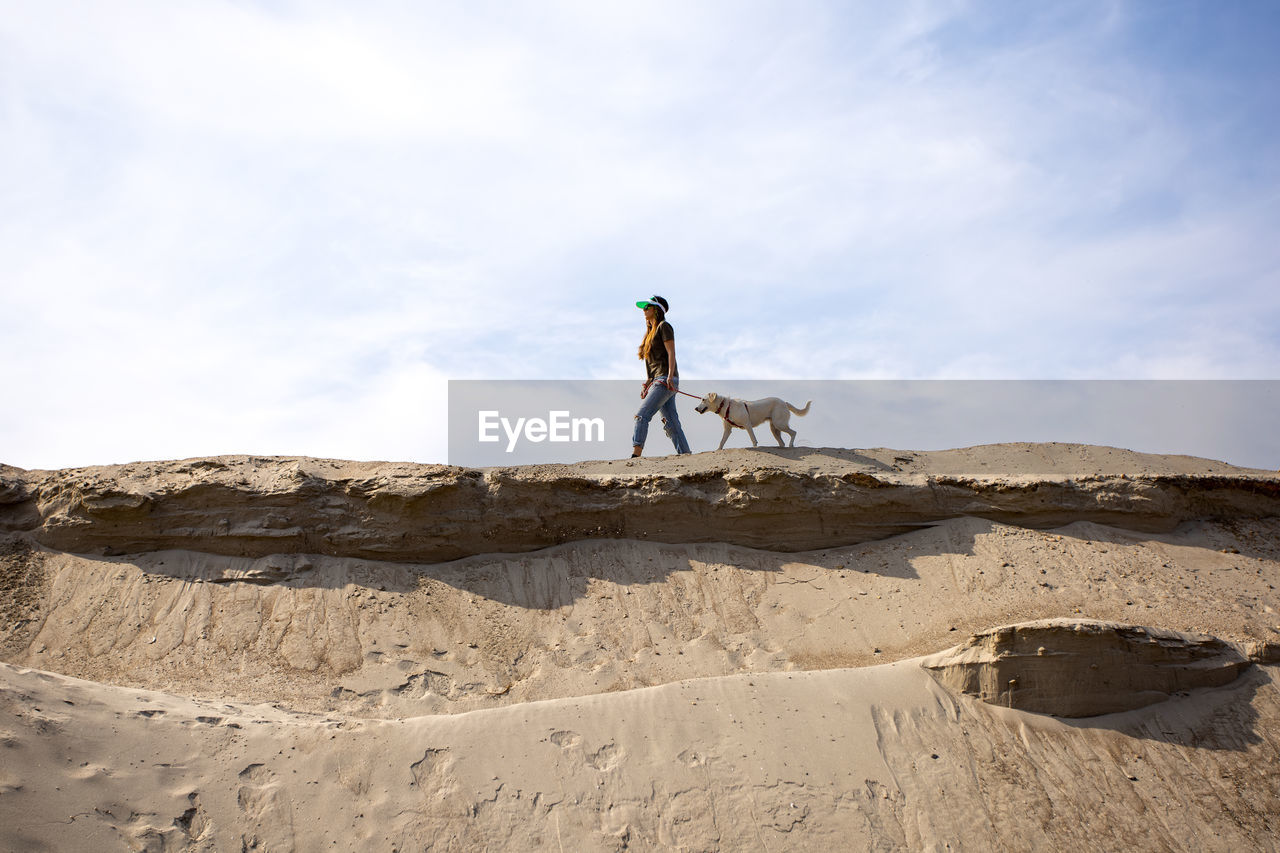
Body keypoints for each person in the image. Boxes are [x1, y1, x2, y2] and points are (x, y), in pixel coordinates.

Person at [632, 295, 692, 457]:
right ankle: (686, 455)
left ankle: (636, 454)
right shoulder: (649, 335)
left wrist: (671, 376)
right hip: (659, 380)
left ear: (656, 310)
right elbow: (653, 364)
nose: (644, 311)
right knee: (671, 423)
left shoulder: (664, 327)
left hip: (666, 380)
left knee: (642, 415)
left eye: (647, 307)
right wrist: (647, 383)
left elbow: (671, 353)